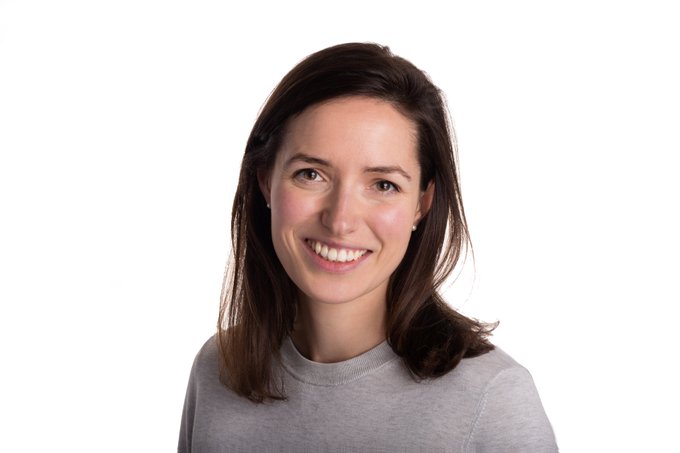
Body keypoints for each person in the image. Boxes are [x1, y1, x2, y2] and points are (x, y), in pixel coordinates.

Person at [178, 42, 557, 452]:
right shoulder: (217, 371)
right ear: (266, 180)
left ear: (422, 204)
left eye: (383, 185)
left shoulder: (493, 401)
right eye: (311, 174)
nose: (340, 220)